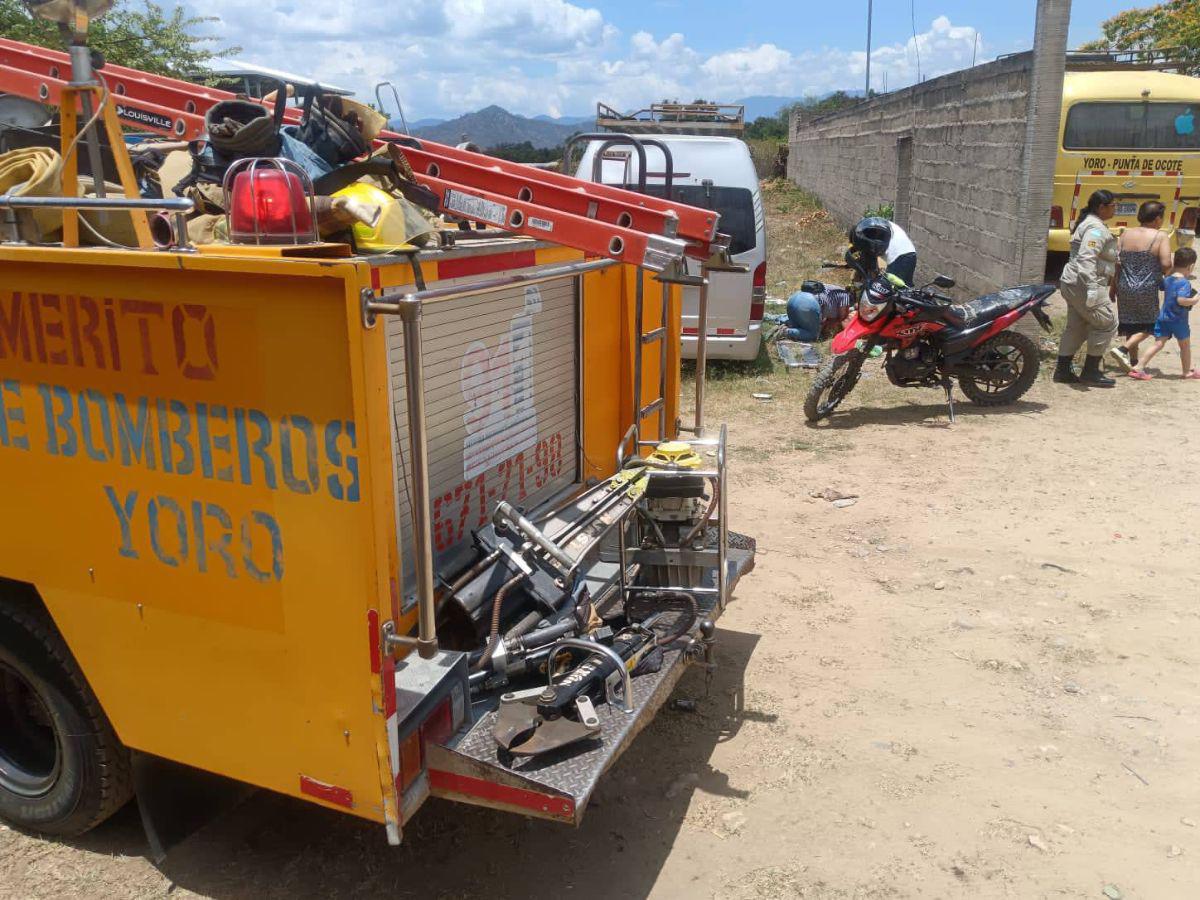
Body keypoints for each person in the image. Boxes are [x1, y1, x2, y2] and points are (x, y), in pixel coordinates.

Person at [1055, 189, 1119, 386]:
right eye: (1113, 206)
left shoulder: (1090, 223)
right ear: (1101, 207)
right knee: (1107, 322)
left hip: (1073, 282)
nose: (1115, 209)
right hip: (1085, 283)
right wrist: (1092, 287)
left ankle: (1063, 371)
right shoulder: (1095, 229)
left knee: (1077, 326)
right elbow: (1086, 257)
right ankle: (1091, 372)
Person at [1107, 201, 1172, 370]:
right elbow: (1166, 264)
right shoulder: (1160, 236)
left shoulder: (1125, 234)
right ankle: (1123, 349)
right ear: (1157, 218)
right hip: (1147, 287)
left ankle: (1133, 362)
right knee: (1152, 325)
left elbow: (1118, 264)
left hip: (1124, 286)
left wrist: (1113, 287)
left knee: (1131, 323)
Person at [1128, 247, 1199, 380]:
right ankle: (1187, 372)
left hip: (1163, 318)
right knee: (1184, 346)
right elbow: (1181, 300)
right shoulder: (1184, 282)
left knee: (1158, 343)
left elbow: (1162, 286)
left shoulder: (1168, 279)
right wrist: (1194, 300)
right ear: (1191, 266)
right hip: (1178, 320)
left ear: (1174, 261)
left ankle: (1138, 367)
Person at [777, 280, 854, 341]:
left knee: (797, 323)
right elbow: (843, 317)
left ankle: (775, 319)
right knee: (813, 335)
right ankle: (786, 332)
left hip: (795, 298)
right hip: (809, 305)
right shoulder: (845, 296)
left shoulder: (835, 290)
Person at [884, 220, 918, 286]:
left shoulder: (871, 229)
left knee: (889, 288)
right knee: (906, 288)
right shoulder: (884, 223)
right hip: (911, 254)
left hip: (898, 257)